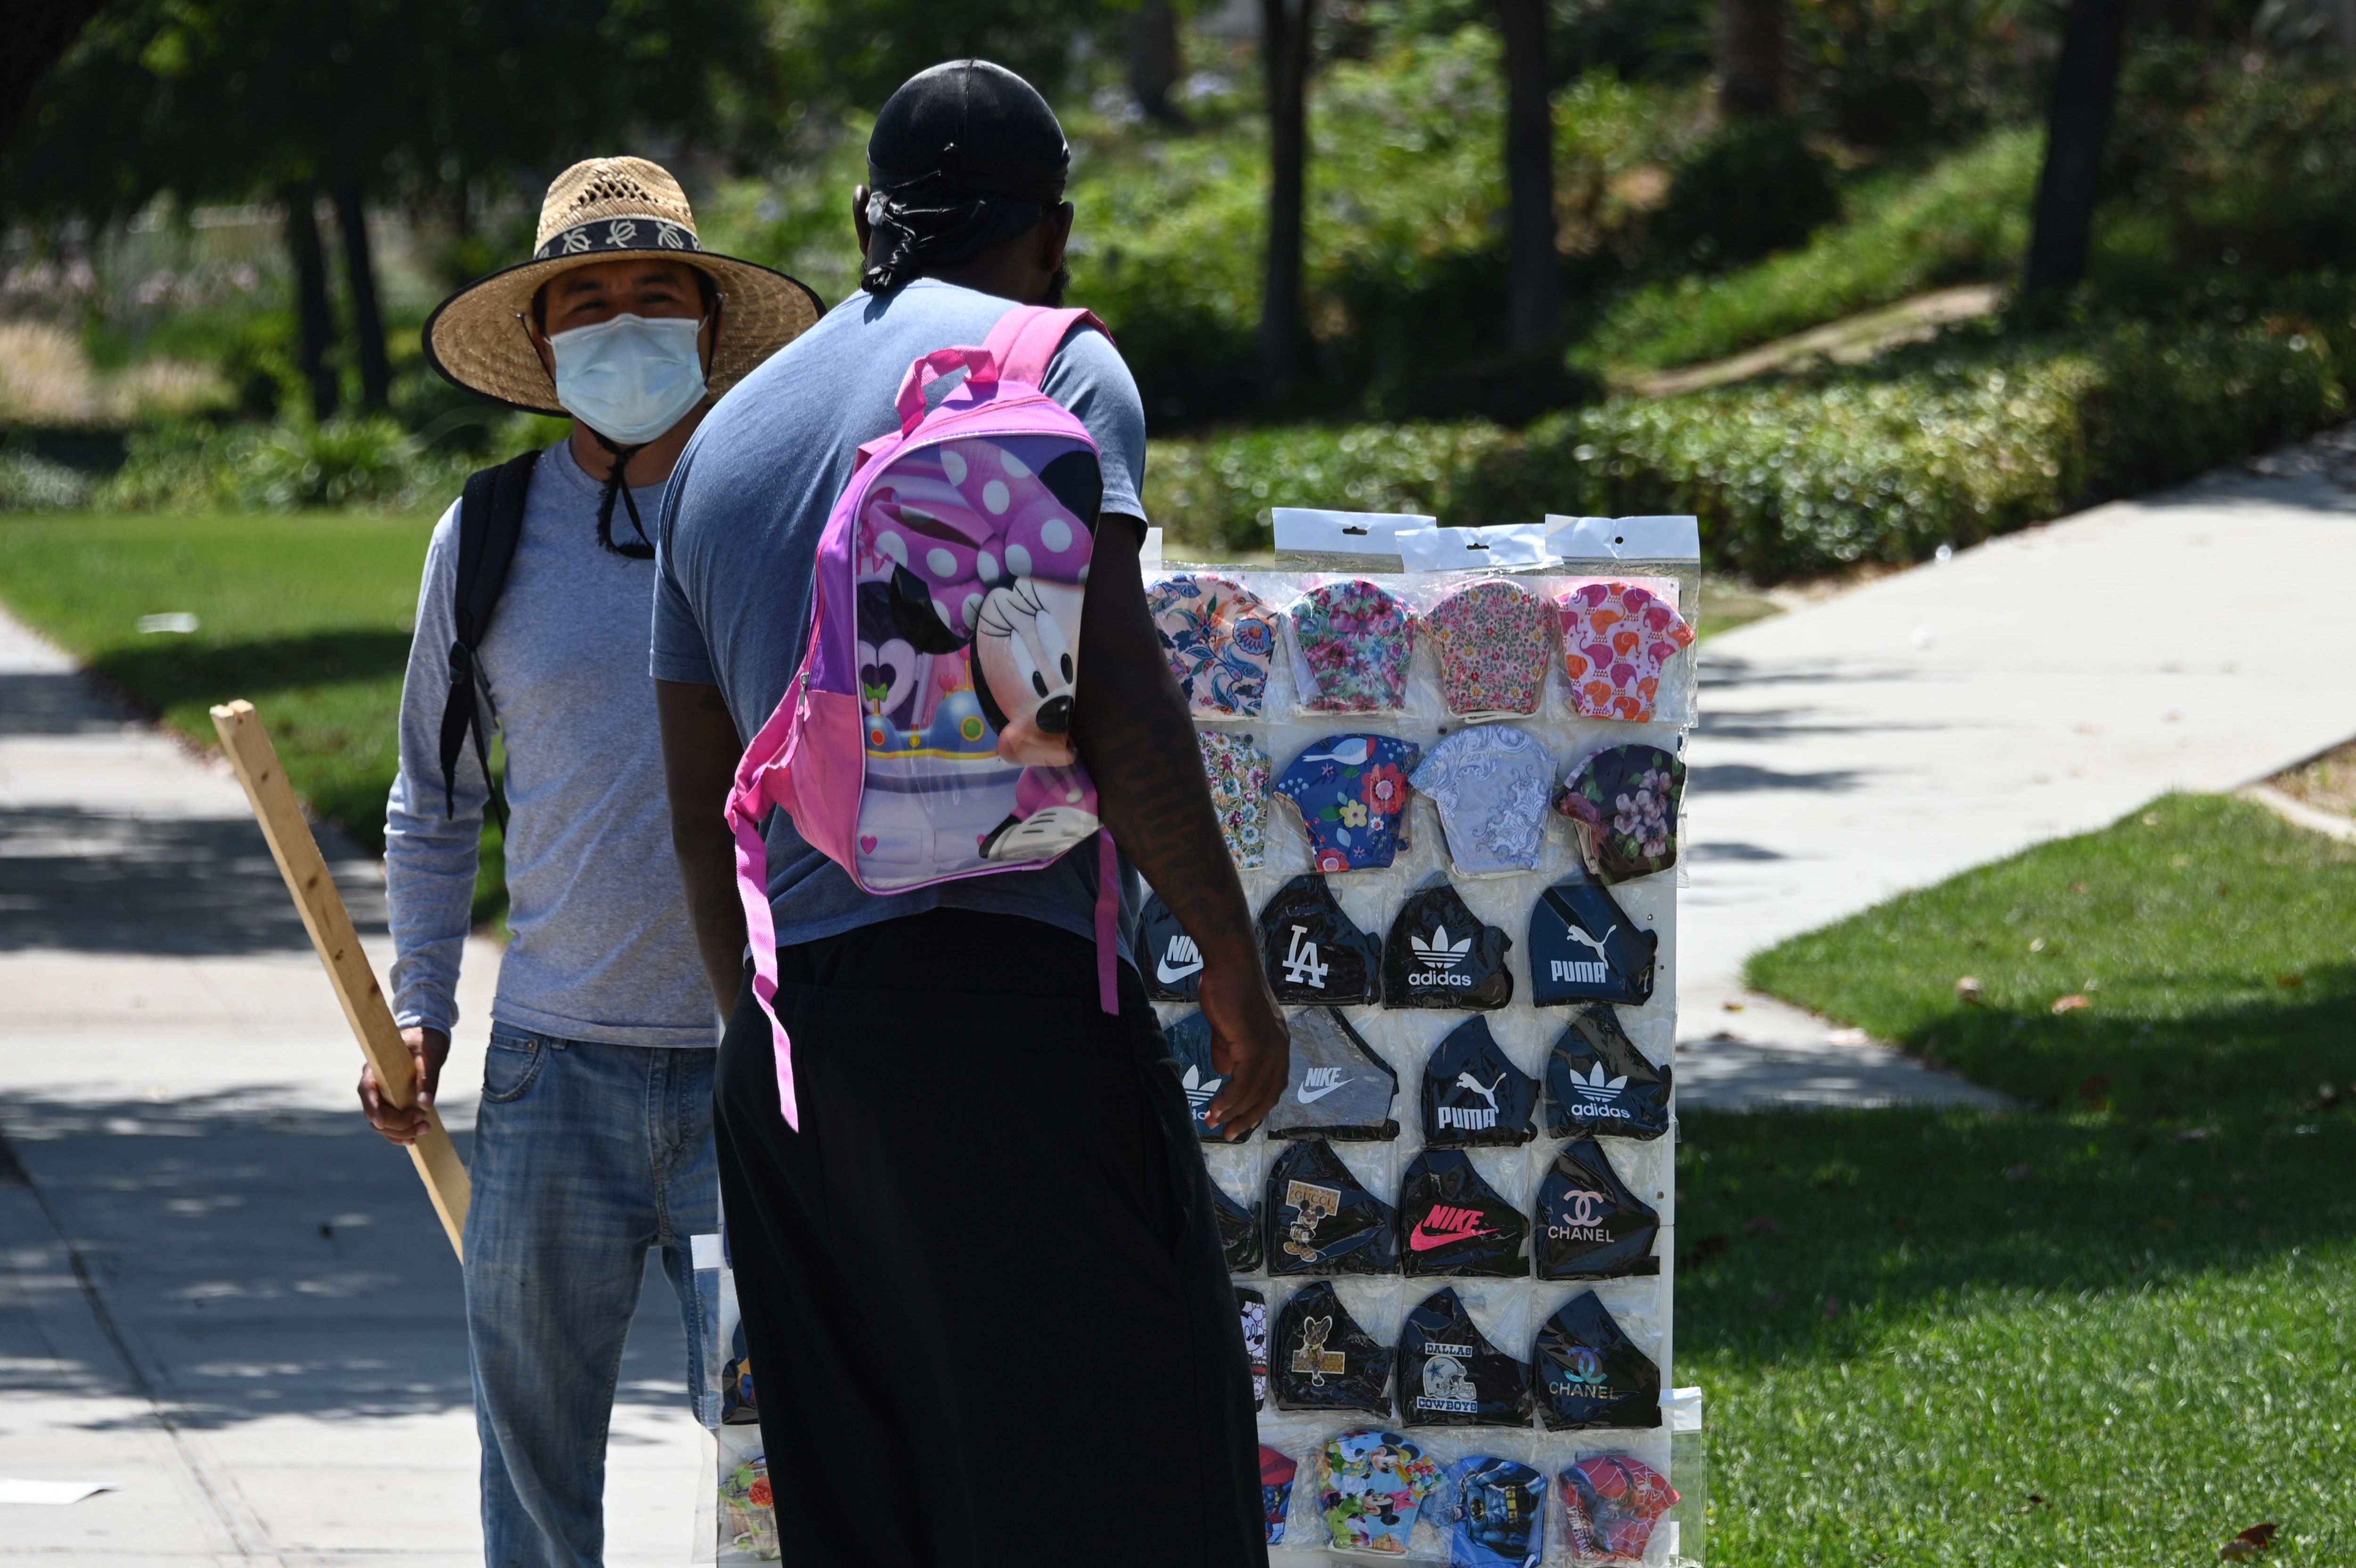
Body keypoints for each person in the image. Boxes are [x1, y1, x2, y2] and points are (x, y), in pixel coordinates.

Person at [653, 60, 1287, 1568]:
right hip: (1013, 1022)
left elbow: (692, 812)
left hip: (798, 1057)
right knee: (1130, 1489)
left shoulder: (727, 437)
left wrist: (770, 1037)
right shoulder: (1052, 369)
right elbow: (1116, 701)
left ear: (870, 221)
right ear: (1052, 231)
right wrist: (1234, 971)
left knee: (872, 1509)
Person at [365, 157, 819, 1568]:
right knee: (532, 1459)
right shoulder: (486, 536)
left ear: (706, 323)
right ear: (547, 343)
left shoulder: (788, 523)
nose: (623, 326)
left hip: (757, 1071)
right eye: (589, 301)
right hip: (554, 1069)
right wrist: (422, 1003)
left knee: (773, 1456)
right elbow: (433, 799)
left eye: (653, 295)